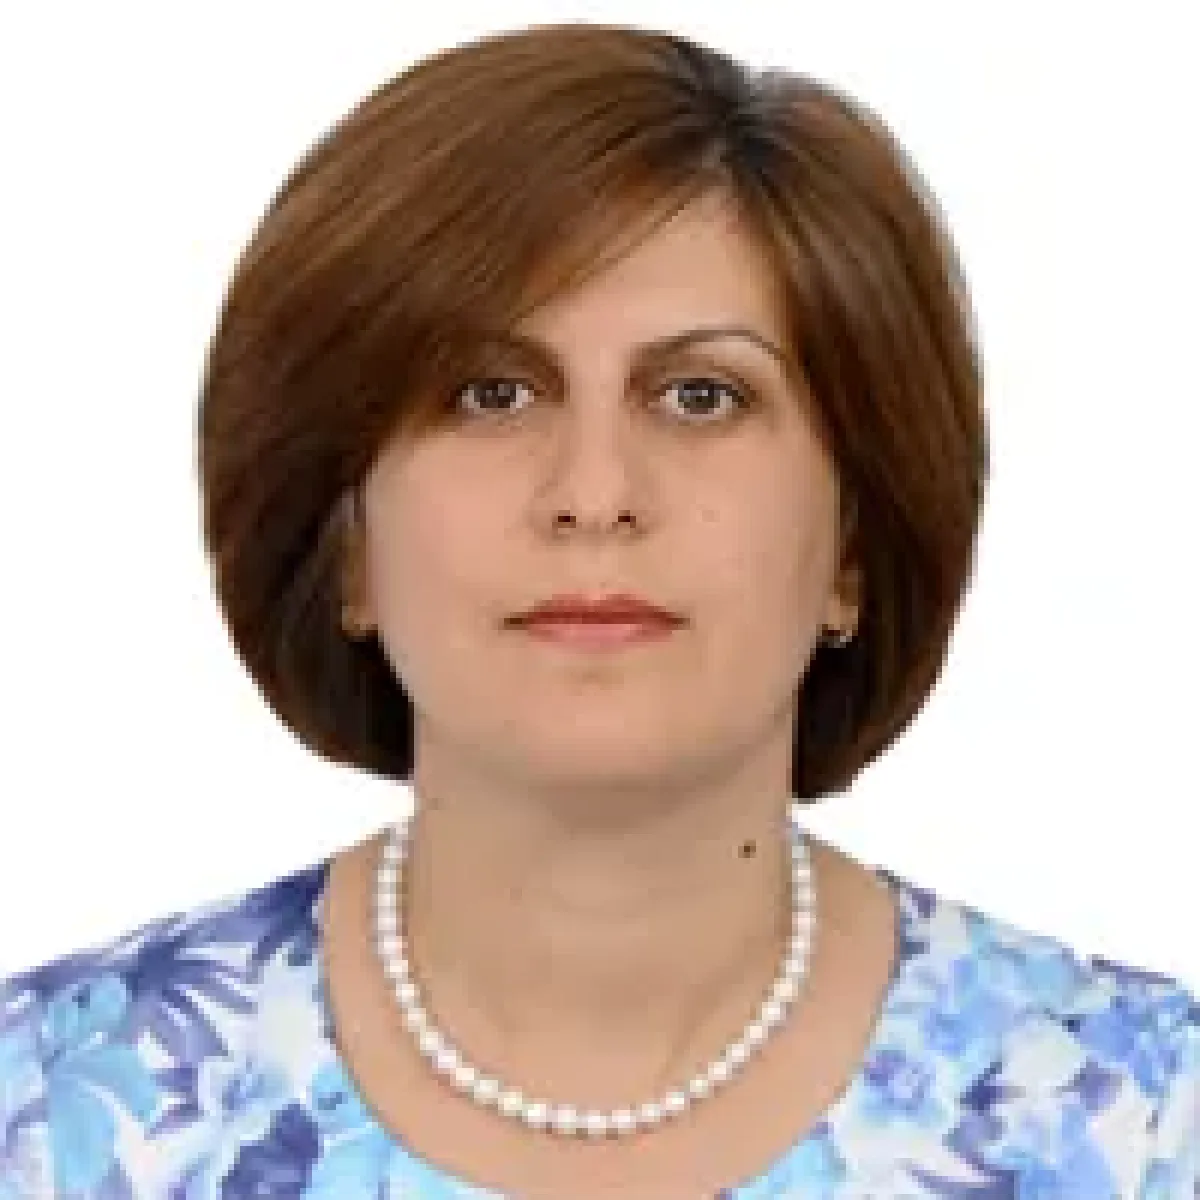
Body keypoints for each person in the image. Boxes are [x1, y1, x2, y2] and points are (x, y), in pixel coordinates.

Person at [1, 19, 1195, 1199]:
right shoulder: (49, 1119)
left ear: (854, 546)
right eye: (490, 393)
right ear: (346, 540)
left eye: (700, 396)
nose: (595, 493)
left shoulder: (1145, 1129)